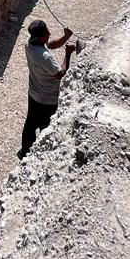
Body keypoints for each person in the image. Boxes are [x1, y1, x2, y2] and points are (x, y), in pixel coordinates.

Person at [19, 19, 77, 159]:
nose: (49, 34)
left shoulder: (30, 43)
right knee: (46, 128)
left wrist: (65, 37)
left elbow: (51, 44)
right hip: (48, 100)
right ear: (39, 37)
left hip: (33, 94)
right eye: (46, 33)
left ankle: (25, 153)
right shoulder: (44, 57)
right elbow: (60, 74)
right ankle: (40, 158)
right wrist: (68, 54)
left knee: (30, 125)